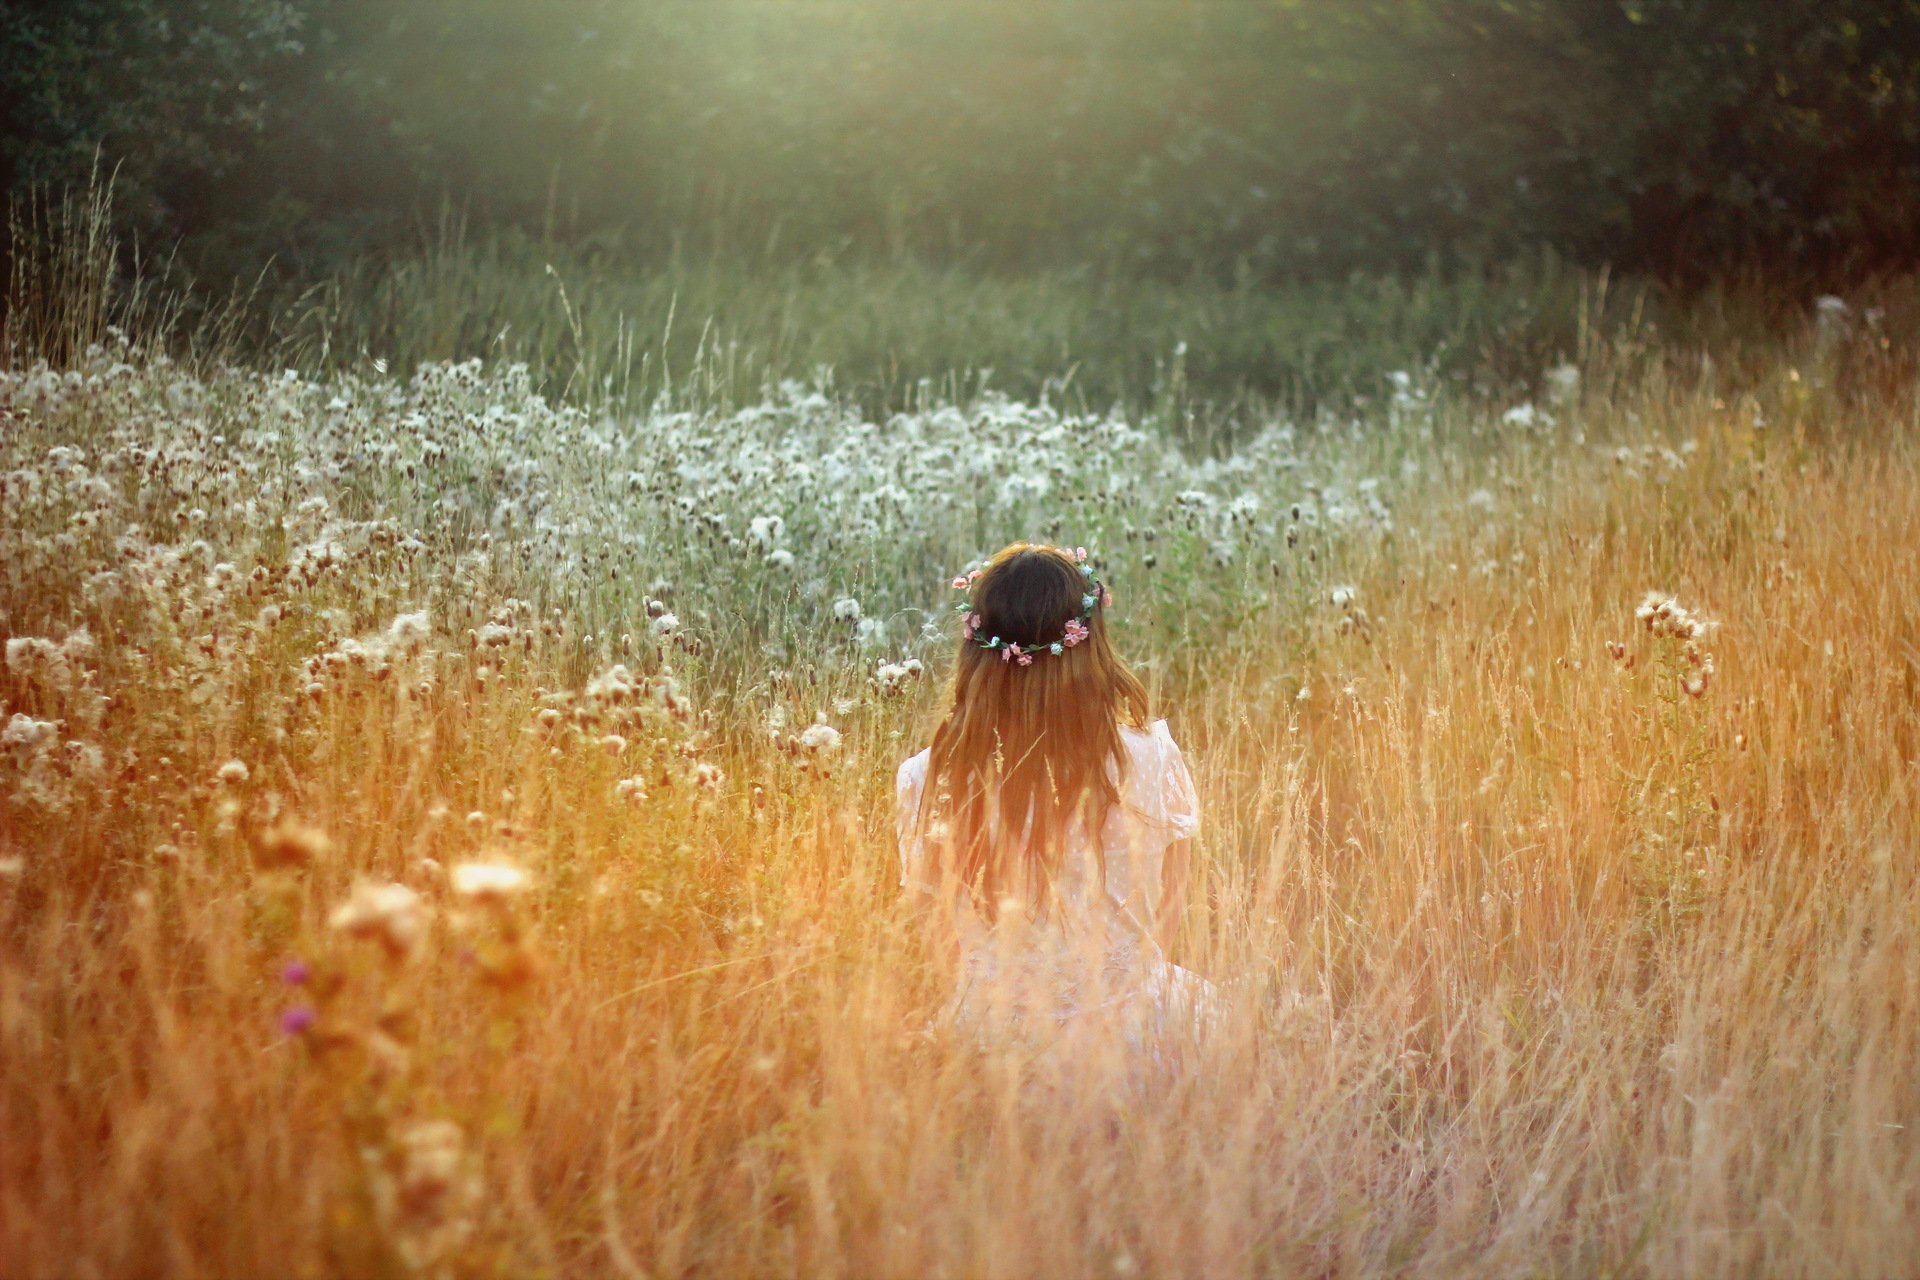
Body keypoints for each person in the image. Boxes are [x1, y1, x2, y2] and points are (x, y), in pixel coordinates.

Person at [894, 542, 1219, 1087]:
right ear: (1089, 645)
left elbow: (935, 936)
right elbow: (1170, 908)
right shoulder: (1150, 756)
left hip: (993, 1049)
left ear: (976, 649)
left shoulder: (928, 778)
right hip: (1132, 1036)